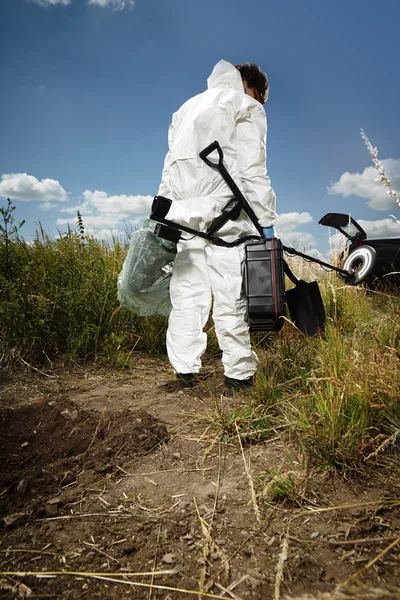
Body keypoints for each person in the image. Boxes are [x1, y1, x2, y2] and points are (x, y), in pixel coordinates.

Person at [157, 59, 277, 390]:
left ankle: (184, 372)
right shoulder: (246, 105)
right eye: (260, 96)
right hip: (226, 214)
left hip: (183, 215)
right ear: (252, 87)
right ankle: (238, 376)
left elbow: (170, 167)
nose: (260, 101)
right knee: (230, 296)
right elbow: (253, 169)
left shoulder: (184, 108)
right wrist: (266, 221)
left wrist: (164, 209)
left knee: (187, 295)